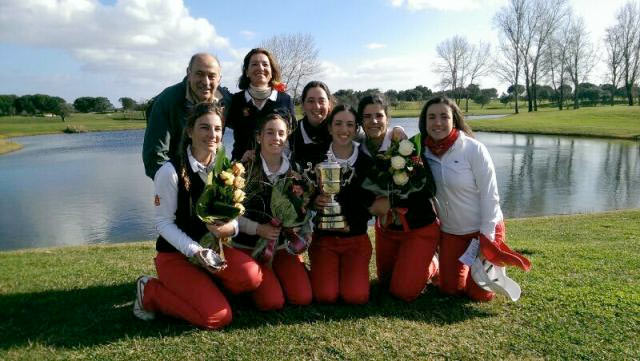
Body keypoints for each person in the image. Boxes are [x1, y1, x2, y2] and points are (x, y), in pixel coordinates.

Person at [133, 102, 262, 329]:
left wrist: (229, 228)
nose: (212, 135)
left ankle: (207, 287)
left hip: (212, 251)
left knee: (251, 277)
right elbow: (163, 223)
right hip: (176, 256)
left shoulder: (226, 168)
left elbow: (235, 215)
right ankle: (149, 292)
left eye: (218, 129)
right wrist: (196, 251)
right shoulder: (170, 171)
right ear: (190, 131)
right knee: (217, 317)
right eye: (204, 127)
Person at [419, 96, 530, 302]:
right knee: (450, 290)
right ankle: (436, 263)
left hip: (483, 230)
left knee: (479, 295)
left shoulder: (473, 149)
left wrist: (486, 240)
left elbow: (491, 196)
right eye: (431, 117)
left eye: (444, 116)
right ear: (424, 122)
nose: (437, 123)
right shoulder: (421, 152)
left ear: (454, 120)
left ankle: (489, 268)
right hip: (452, 233)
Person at [357, 94, 440, 302]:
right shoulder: (360, 149)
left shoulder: (404, 145)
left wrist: (392, 200)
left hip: (418, 226)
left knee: (403, 292)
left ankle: (433, 263)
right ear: (360, 121)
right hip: (387, 229)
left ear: (388, 118)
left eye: (379, 115)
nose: (373, 121)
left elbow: (427, 188)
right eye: (367, 116)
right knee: (385, 282)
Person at [232, 112, 312, 310]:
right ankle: (248, 282)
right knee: (272, 302)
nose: (275, 138)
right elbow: (230, 214)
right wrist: (258, 229)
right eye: (269, 132)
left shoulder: (296, 171)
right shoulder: (243, 169)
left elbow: (305, 210)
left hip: (283, 249)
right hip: (250, 247)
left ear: (287, 137)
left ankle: (282, 275)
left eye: (281, 133)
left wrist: (303, 231)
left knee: (302, 297)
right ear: (259, 136)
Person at [309, 105, 378, 305]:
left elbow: (370, 201)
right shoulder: (316, 157)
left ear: (356, 129)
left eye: (350, 125)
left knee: (356, 297)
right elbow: (305, 193)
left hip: (356, 238)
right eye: (338, 124)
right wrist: (314, 201)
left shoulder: (367, 160)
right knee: (325, 296)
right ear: (329, 127)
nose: (343, 130)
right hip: (324, 239)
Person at [142, 53, 232, 179]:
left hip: (212, 177)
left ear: (219, 79)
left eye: (211, 76)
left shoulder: (226, 99)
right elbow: (155, 157)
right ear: (189, 73)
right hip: (177, 178)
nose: (205, 82)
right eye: (199, 74)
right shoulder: (167, 101)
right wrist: (177, 184)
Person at [226, 48, 296, 162]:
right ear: (247, 71)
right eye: (254, 64)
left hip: (276, 168)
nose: (260, 68)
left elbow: (291, 138)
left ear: (272, 71)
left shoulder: (285, 100)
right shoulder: (236, 101)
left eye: (265, 64)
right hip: (240, 169)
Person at [289, 81, 334, 168]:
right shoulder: (292, 132)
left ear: (329, 104)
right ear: (303, 105)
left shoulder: (338, 131)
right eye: (311, 101)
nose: (317, 106)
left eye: (321, 101)